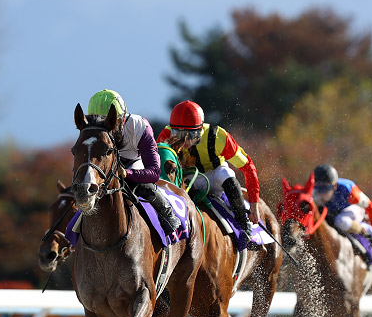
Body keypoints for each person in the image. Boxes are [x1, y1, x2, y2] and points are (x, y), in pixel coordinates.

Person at [155, 100, 259, 239]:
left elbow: (248, 167)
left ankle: (243, 223)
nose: (184, 142)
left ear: (200, 130)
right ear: (172, 129)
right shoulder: (166, 135)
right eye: (178, 134)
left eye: (190, 135)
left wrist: (254, 205)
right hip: (186, 179)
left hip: (215, 175)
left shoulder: (218, 136)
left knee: (227, 173)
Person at [86, 89, 180, 236]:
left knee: (146, 187)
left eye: (111, 123)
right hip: (104, 170)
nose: (106, 131)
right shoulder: (90, 134)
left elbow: (154, 173)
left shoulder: (140, 128)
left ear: (122, 120)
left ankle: (168, 216)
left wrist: (127, 173)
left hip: (133, 165)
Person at [311, 164, 372, 242]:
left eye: (325, 189)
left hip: (353, 208)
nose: (321, 194)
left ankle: (367, 233)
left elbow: (370, 206)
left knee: (340, 220)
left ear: (334, 186)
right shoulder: (313, 191)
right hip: (333, 212)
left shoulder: (349, 191)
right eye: (318, 189)